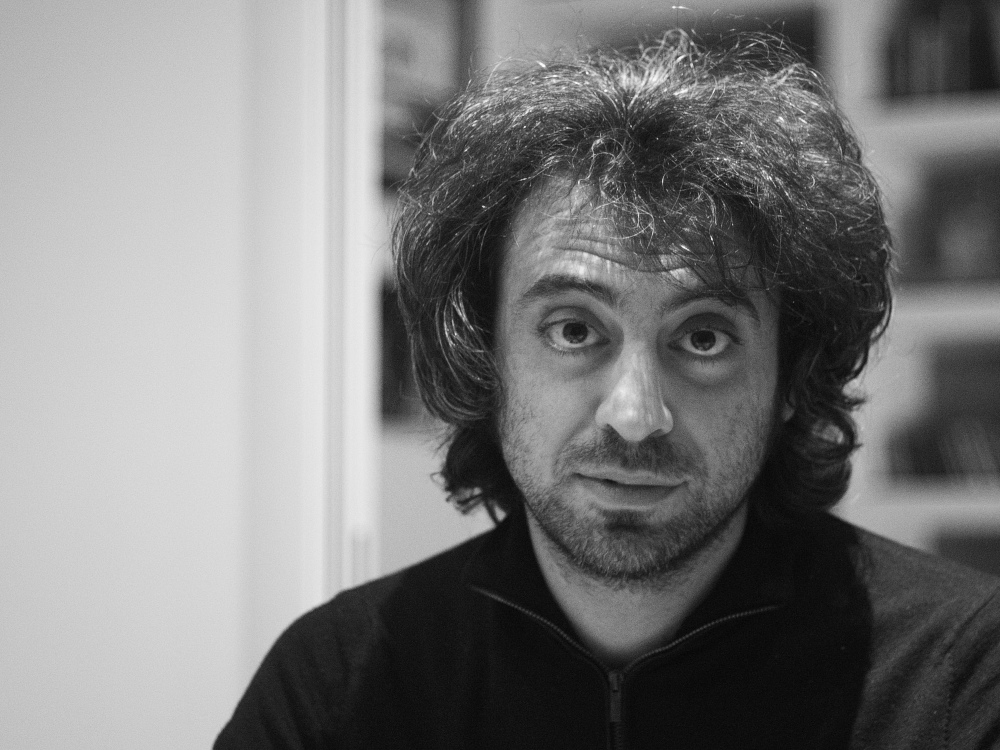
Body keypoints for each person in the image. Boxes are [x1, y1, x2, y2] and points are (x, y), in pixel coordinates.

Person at [216, 32, 1000, 749]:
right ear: (486, 356)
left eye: (703, 338)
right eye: (573, 330)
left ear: (791, 376)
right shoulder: (340, 682)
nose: (634, 415)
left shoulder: (960, 675)